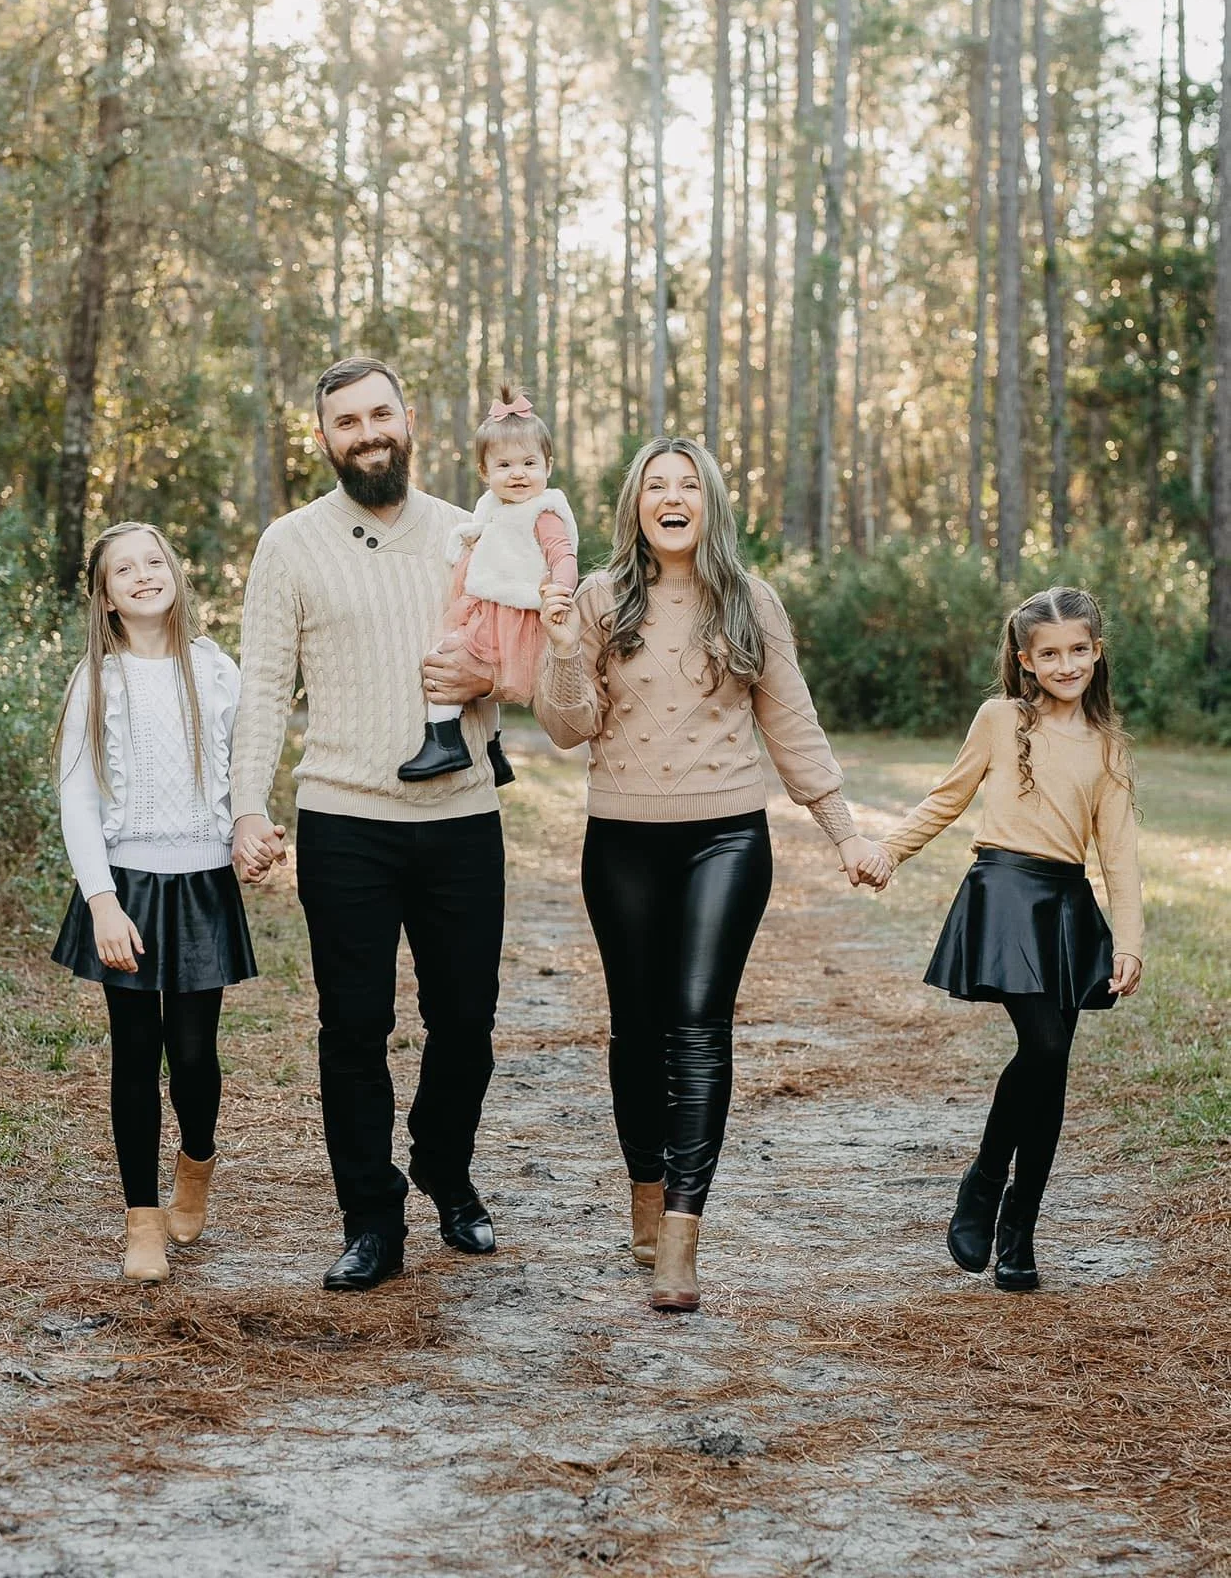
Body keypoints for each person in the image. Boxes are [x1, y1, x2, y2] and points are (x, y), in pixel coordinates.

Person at [534, 437, 885, 1314]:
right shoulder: (599, 597)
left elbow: (792, 725)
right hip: (621, 840)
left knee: (697, 1027)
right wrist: (566, 648)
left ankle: (682, 1239)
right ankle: (645, 1193)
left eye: (688, 483)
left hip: (726, 838)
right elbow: (567, 727)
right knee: (635, 1029)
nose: (673, 495)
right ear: (636, 508)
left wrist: (843, 832)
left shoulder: (749, 601)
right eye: (657, 484)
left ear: (710, 502)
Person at [231, 357, 506, 1292]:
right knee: (352, 1028)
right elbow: (265, 687)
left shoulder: (474, 532)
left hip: (462, 814)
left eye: (379, 414)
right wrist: (245, 806)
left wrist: (491, 682)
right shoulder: (290, 544)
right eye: (345, 422)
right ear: (324, 439)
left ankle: (444, 1164)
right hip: (344, 817)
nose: (366, 433)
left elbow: (538, 661)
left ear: (410, 418)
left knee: (466, 1022)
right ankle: (371, 1220)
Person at [860, 586, 1144, 1293]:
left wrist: (1130, 941)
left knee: (1051, 1074)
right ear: (1025, 661)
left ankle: (1019, 1231)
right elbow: (946, 797)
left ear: (1097, 652)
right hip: (1005, 894)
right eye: (1050, 653)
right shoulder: (1000, 719)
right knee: (1043, 1046)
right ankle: (986, 1180)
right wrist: (891, 850)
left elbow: (1121, 853)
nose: (1067, 663)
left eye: (1079, 649)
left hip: (1067, 907)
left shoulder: (1107, 747)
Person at [51, 522, 257, 1285]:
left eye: (153, 561)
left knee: (195, 1054)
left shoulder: (214, 669)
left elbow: (243, 771)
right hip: (128, 885)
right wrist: (101, 900)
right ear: (105, 597)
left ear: (175, 572)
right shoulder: (94, 679)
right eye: (123, 570)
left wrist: (250, 833)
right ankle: (142, 1219)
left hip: (202, 878)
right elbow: (75, 796)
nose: (142, 575)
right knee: (136, 1053)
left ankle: (196, 1162)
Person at [399, 384, 578, 785]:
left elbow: (563, 555)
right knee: (483, 681)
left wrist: (561, 589)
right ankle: (493, 750)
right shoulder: (491, 508)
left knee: (444, 659)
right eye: (505, 466)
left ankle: (445, 742)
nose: (518, 474)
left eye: (529, 463)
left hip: (515, 615)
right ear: (485, 472)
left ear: (547, 465)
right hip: (485, 609)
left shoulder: (543, 512)